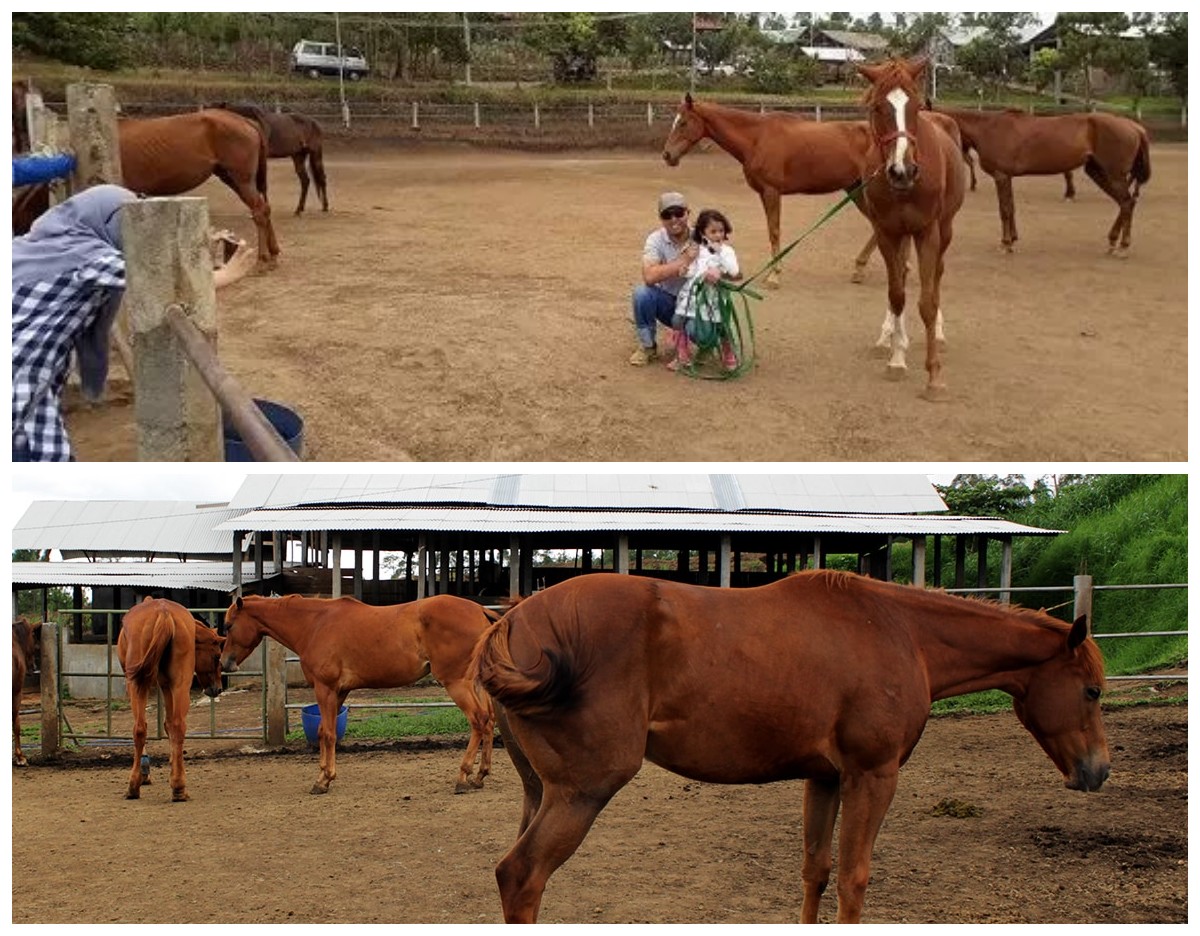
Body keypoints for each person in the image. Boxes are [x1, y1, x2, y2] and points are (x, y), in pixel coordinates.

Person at [12, 183, 257, 461]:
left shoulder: (34, 245)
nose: (130, 233)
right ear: (106, 222)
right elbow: (153, 283)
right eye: (125, 223)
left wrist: (194, 244)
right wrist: (227, 275)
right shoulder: (88, 258)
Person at [629, 191, 699, 366]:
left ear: (688, 213)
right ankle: (648, 347)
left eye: (679, 213)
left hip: (696, 306)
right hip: (670, 305)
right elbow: (649, 276)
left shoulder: (702, 236)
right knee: (642, 294)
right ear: (661, 218)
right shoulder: (655, 239)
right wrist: (684, 260)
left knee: (702, 335)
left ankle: (711, 340)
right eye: (667, 214)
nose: (674, 219)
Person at [669, 208, 741, 372]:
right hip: (691, 296)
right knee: (677, 320)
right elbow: (691, 271)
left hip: (713, 297)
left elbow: (734, 271)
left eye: (721, 231)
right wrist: (685, 269)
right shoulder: (696, 249)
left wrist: (720, 254)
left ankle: (729, 352)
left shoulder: (727, 251)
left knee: (722, 325)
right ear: (702, 232)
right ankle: (682, 354)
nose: (718, 235)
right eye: (713, 231)